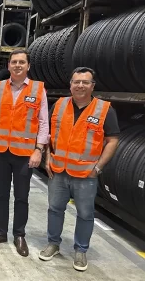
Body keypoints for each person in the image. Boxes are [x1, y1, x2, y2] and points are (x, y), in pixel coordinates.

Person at [39, 67, 119, 271]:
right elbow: (47, 134)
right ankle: (53, 244)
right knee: (55, 209)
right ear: (70, 85)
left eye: (85, 82)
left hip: (86, 174)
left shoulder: (104, 109)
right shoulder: (59, 105)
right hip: (57, 170)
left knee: (85, 214)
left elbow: (112, 141)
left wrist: (98, 167)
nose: (80, 86)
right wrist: (47, 158)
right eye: (76, 82)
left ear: (92, 86)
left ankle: (81, 250)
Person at [0, 49, 49, 257]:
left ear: (28, 66)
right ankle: (0, 232)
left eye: (22, 62)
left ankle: (19, 234)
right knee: (1, 195)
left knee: (22, 197)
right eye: (14, 62)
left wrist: (39, 150)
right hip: (0, 152)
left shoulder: (38, 90)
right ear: (8, 65)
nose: (17, 65)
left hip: (24, 154)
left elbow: (44, 123)